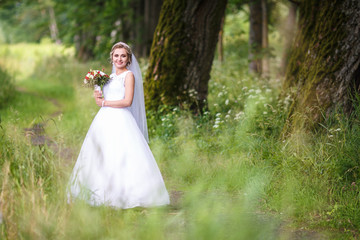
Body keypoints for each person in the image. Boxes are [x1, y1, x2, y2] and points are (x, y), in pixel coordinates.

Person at [68, 42, 170, 209]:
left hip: (122, 120)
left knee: (123, 154)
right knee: (102, 154)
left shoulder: (128, 76)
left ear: (128, 59)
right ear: (112, 58)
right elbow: (100, 101)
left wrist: (104, 102)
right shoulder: (109, 77)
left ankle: (126, 194)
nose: (119, 59)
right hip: (104, 120)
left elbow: (127, 101)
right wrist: (98, 95)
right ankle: (100, 193)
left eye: (123, 56)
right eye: (116, 56)